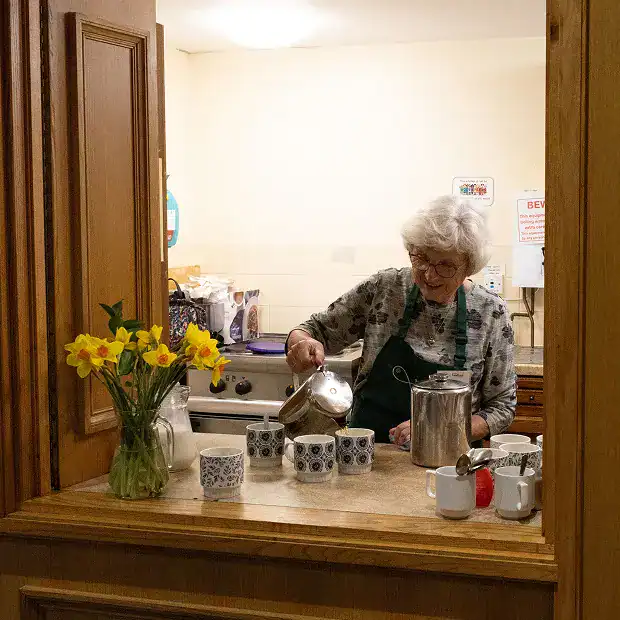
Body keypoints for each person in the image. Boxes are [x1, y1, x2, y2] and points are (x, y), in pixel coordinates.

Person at [285, 195, 516, 445]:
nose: (429, 274)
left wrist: (438, 429)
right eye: (422, 258)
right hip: (367, 455)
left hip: (448, 465)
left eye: (445, 266)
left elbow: (501, 408)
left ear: (469, 266)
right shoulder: (384, 289)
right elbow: (312, 329)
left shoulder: (490, 312)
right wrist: (301, 343)